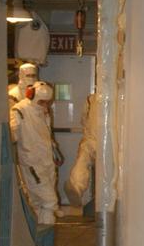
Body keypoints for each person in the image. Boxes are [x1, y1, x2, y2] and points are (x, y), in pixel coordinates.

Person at [10, 81, 60, 226]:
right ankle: (46, 244)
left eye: (47, 102)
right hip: (32, 164)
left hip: (46, 161)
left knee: (37, 203)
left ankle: (39, 245)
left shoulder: (43, 112)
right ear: (30, 95)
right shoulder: (19, 111)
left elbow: (46, 133)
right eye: (42, 102)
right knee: (50, 201)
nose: (45, 105)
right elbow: (12, 136)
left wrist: (53, 150)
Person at [66, 94, 97, 207]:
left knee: (82, 162)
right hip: (109, 144)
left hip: (91, 140)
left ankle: (76, 186)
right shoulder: (119, 97)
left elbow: (83, 120)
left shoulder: (90, 99)